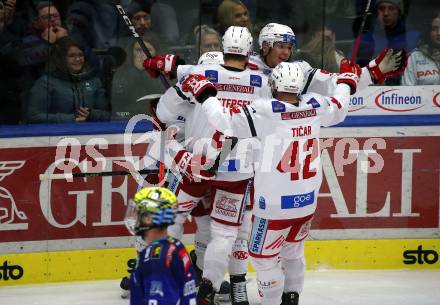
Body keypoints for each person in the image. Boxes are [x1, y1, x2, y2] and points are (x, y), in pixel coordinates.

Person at [192, 61, 360, 305]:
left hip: (273, 208)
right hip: (306, 203)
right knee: (293, 252)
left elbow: (225, 122)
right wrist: (346, 82)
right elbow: (340, 106)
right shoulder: (315, 104)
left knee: (263, 257)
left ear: (273, 84)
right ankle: (291, 298)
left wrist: (205, 94)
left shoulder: (265, 110)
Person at [145, 26, 270, 305]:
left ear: (222, 47)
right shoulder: (261, 81)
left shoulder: (197, 75)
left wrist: (174, 75)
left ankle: (163, 275)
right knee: (229, 232)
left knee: (172, 217)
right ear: (249, 50)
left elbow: (162, 113)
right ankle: (209, 288)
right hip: (238, 170)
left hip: (197, 165)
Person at [249, 22, 407, 90]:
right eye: (281, 46)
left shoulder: (299, 70)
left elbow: (334, 82)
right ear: (265, 46)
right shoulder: (245, 65)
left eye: (289, 48)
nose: (286, 52)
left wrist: (372, 73)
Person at [124, 186, 197, 305]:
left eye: (139, 213)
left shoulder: (155, 258)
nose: (134, 218)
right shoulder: (176, 246)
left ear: (148, 219)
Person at [26, 37, 110, 123]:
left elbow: (107, 115)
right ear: (60, 59)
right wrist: (72, 119)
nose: (77, 59)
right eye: (71, 56)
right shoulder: (45, 83)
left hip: (92, 134)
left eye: (80, 55)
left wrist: (91, 115)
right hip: (56, 134)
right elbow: (34, 117)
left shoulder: (94, 82)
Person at [354, 0, 419, 71]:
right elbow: (353, 68)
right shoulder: (365, 40)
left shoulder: (413, 36)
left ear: (399, 13)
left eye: (391, 9)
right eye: (381, 8)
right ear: (377, 12)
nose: (386, 13)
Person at [111, 38, 164, 120]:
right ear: (132, 52)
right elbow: (118, 98)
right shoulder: (122, 71)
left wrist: (146, 71)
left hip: (156, 118)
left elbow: (161, 93)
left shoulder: (165, 71)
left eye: (147, 50)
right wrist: (135, 70)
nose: (143, 54)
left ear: (156, 52)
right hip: (127, 118)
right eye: (138, 50)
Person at [402, 12, 440, 85]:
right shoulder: (415, 57)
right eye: (434, 29)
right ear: (429, 31)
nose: (439, 33)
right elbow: (407, 92)